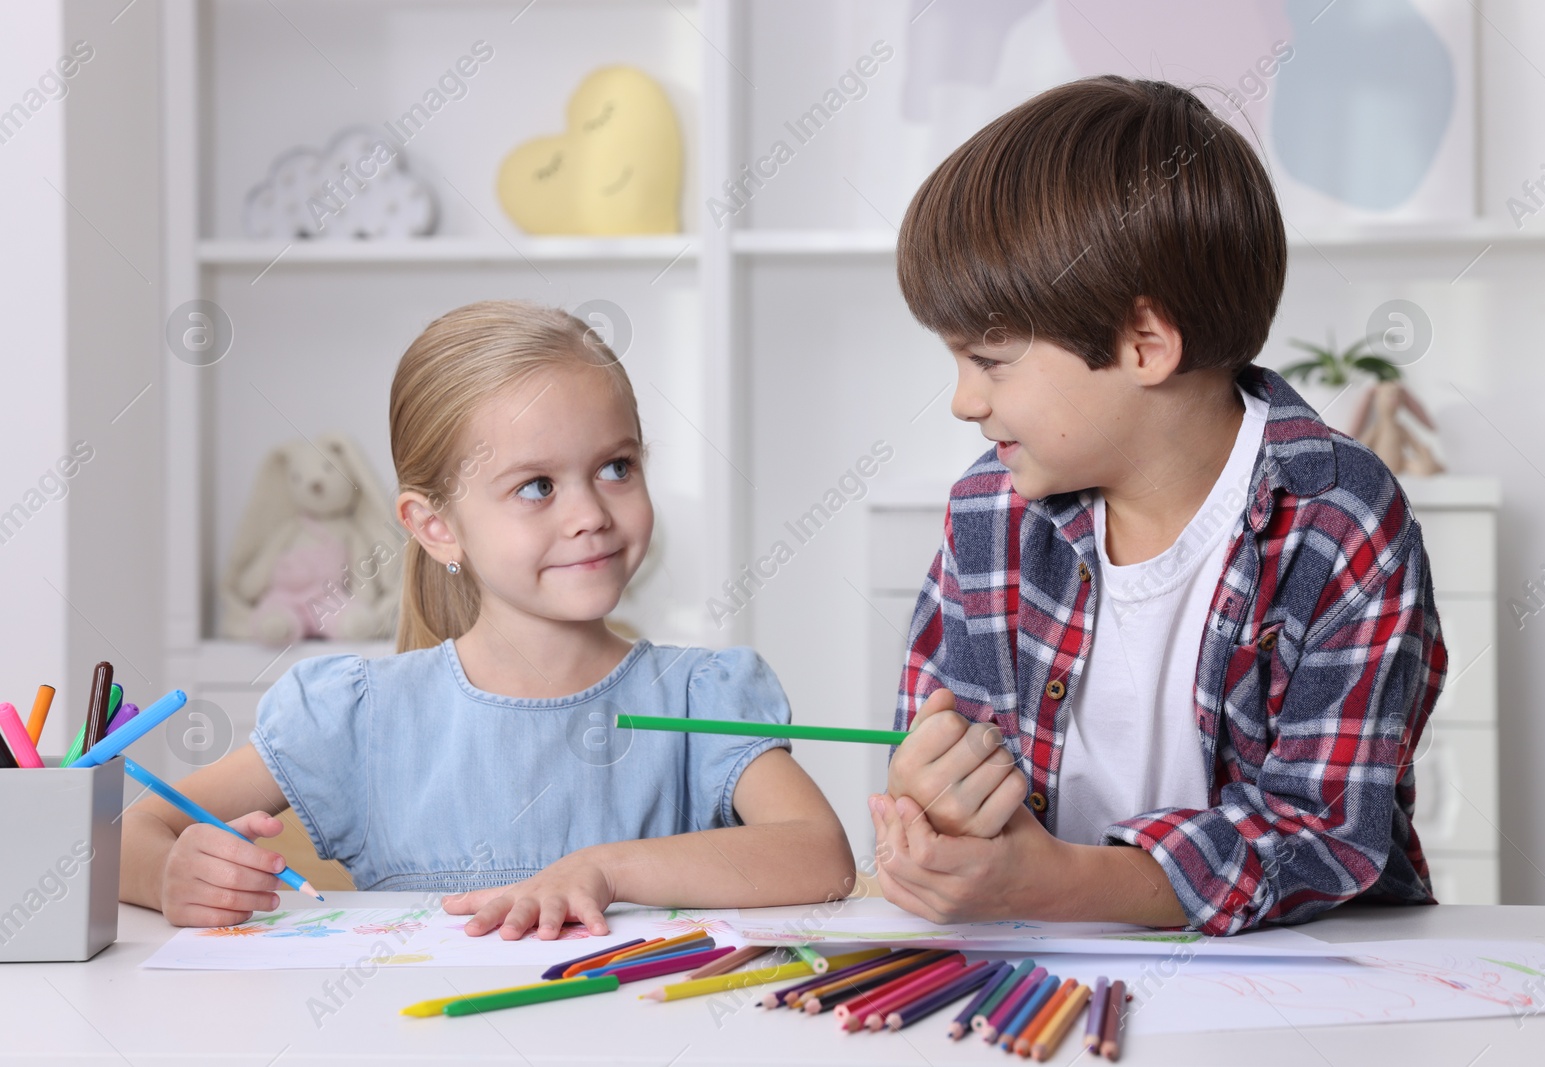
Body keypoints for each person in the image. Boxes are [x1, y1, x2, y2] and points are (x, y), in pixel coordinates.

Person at [869, 76, 1447, 936]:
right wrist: (931, 802)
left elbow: (1321, 834)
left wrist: (1050, 881)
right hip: (1042, 962)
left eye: (990, 360)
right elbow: (933, 752)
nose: (963, 400)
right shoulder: (988, 513)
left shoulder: (1338, 522)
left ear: (1144, 344)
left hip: (1299, 973)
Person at [120, 300, 855, 937]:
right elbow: (125, 831)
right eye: (537, 485)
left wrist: (603, 869)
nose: (591, 515)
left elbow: (821, 855)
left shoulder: (702, 697)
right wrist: (168, 877)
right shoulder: (356, 718)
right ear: (436, 526)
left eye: (616, 467)